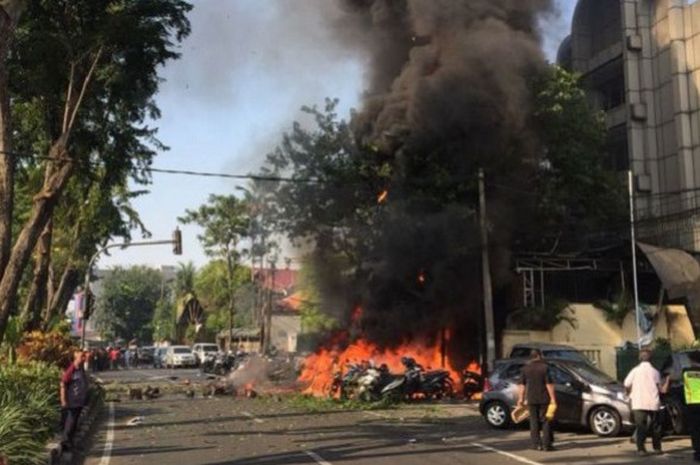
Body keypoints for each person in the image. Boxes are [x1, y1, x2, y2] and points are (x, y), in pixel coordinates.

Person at [623, 349, 669, 456]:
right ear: (651, 359)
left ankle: (641, 449)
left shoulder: (635, 371)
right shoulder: (655, 372)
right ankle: (657, 448)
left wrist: (628, 393)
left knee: (641, 426)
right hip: (653, 402)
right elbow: (661, 389)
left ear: (640, 358)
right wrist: (667, 380)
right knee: (656, 426)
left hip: (638, 402)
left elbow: (626, 384)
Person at [517, 349, 557, 451]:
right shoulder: (545, 368)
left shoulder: (525, 369)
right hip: (544, 398)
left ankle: (536, 444)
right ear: (539, 356)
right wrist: (553, 398)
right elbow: (549, 384)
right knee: (545, 421)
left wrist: (520, 399)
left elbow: (522, 385)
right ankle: (547, 445)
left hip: (531, 398)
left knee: (533, 421)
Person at [60, 351, 89, 451]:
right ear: (75, 358)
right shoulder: (71, 370)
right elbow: (63, 385)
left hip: (79, 401)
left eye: (84, 356)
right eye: (82, 356)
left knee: (74, 423)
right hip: (72, 401)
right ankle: (65, 443)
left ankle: (70, 442)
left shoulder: (80, 369)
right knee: (70, 422)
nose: (84, 358)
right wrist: (63, 400)